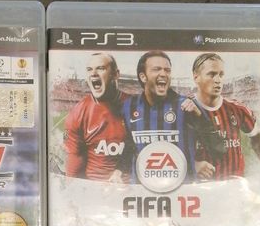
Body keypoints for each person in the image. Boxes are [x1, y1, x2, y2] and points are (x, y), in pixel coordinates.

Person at [122, 51, 222, 182]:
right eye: (156, 69)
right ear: (143, 77)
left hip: (182, 190)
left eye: (167, 70)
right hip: (142, 189)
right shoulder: (129, 106)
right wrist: (118, 171)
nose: (163, 74)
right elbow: (129, 146)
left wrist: (199, 117)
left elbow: (218, 150)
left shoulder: (186, 106)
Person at [190, 53, 260, 179]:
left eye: (221, 75)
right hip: (202, 186)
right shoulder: (185, 110)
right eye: (211, 74)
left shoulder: (237, 109)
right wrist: (193, 165)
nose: (218, 80)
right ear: (196, 77)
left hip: (235, 185)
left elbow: (256, 135)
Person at [63, 53, 129, 181]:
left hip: (129, 186)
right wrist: (70, 189)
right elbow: (75, 158)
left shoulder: (135, 107)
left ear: (115, 74)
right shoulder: (78, 112)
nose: (93, 73)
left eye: (100, 68)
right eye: (89, 69)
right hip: (94, 186)